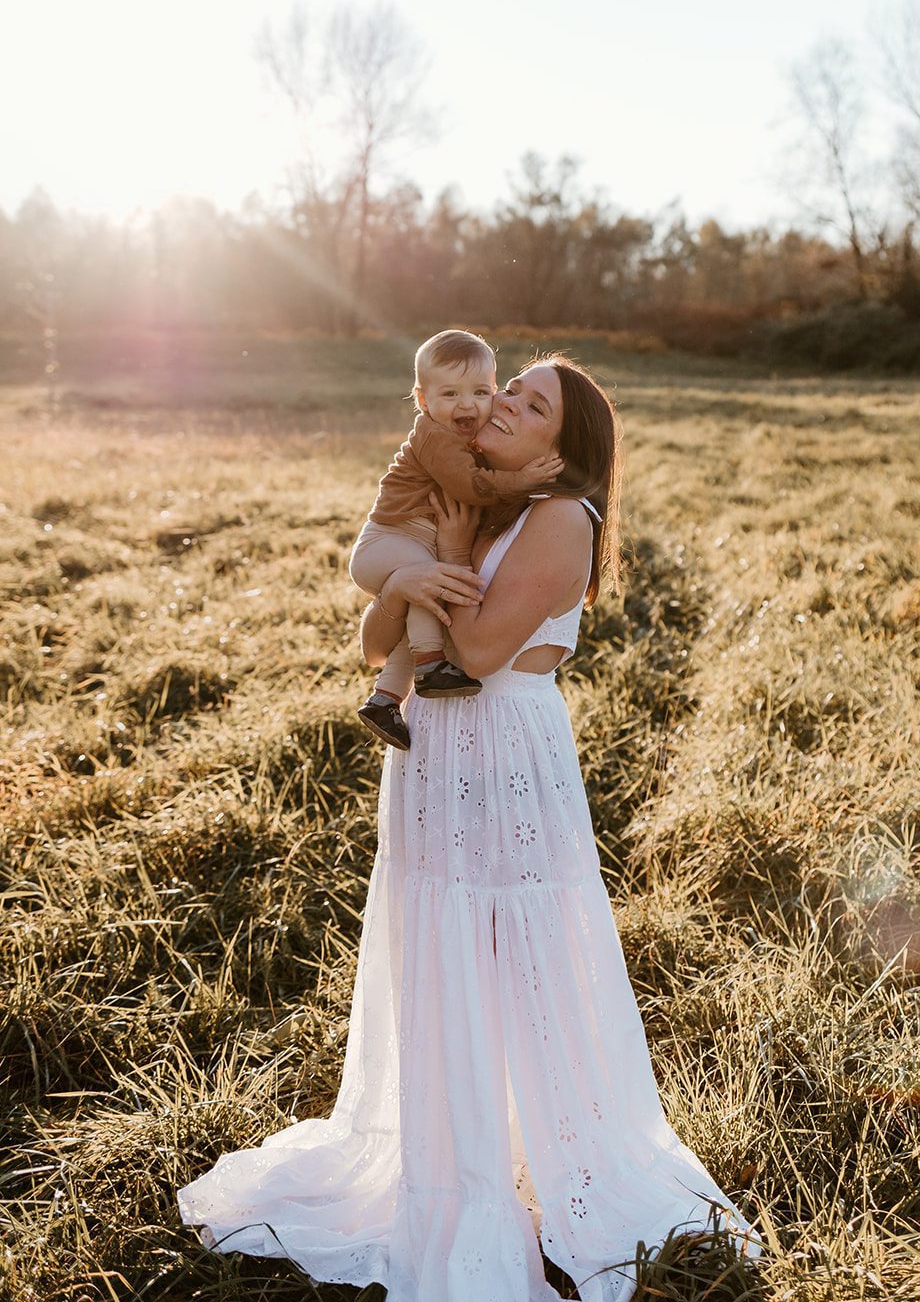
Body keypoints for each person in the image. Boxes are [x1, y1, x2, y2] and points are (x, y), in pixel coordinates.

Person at [177, 354, 761, 1299]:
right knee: (439, 945)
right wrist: (432, 565)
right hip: (429, 757)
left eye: (527, 404)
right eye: (505, 390)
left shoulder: (563, 518)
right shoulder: (477, 505)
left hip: (501, 752)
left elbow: (482, 652)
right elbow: (376, 641)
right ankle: (447, 1161)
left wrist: (436, 573)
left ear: (558, 446)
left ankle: (531, 1171)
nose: (498, 405)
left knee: (511, 948)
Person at [349, 328, 563, 751]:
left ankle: (385, 699)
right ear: (423, 401)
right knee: (432, 583)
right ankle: (430, 666)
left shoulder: (556, 517)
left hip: (408, 547)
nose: (468, 405)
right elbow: (467, 486)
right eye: (450, 395)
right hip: (388, 540)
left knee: (427, 598)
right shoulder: (436, 435)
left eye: (481, 392)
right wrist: (520, 479)